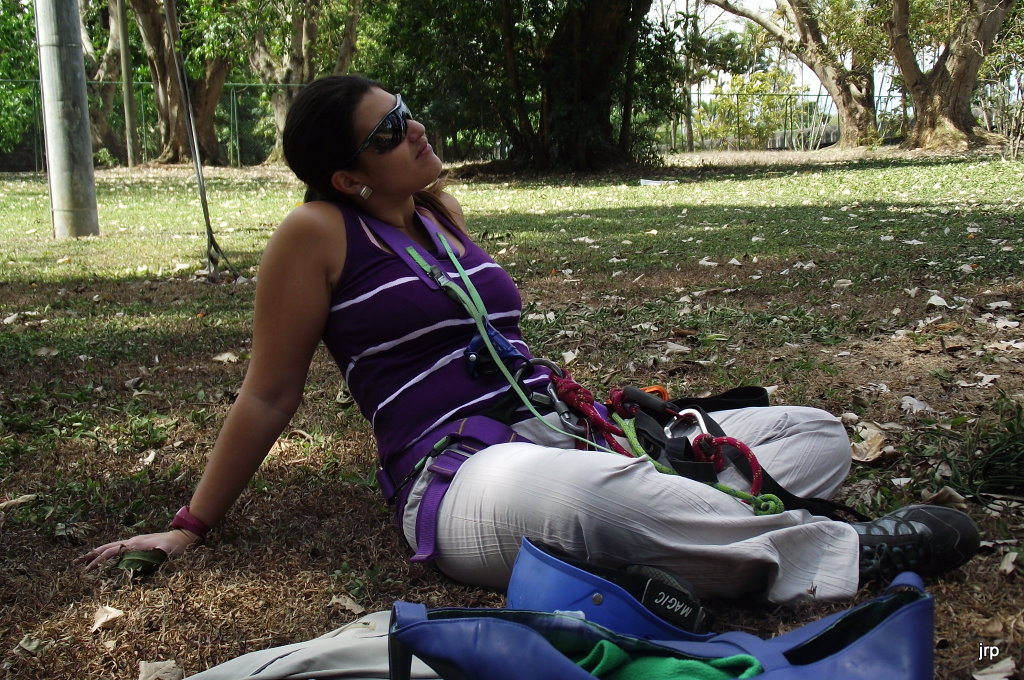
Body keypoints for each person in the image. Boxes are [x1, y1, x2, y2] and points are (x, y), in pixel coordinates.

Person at [77, 75, 980, 604]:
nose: (416, 129)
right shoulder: (313, 234)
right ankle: (843, 555)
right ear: (348, 176)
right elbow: (268, 395)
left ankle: (695, 538)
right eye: (391, 132)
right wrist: (191, 527)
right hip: (464, 475)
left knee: (814, 433)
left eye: (408, 111)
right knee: (598, 502)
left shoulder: (441, 214)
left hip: (566, 428)